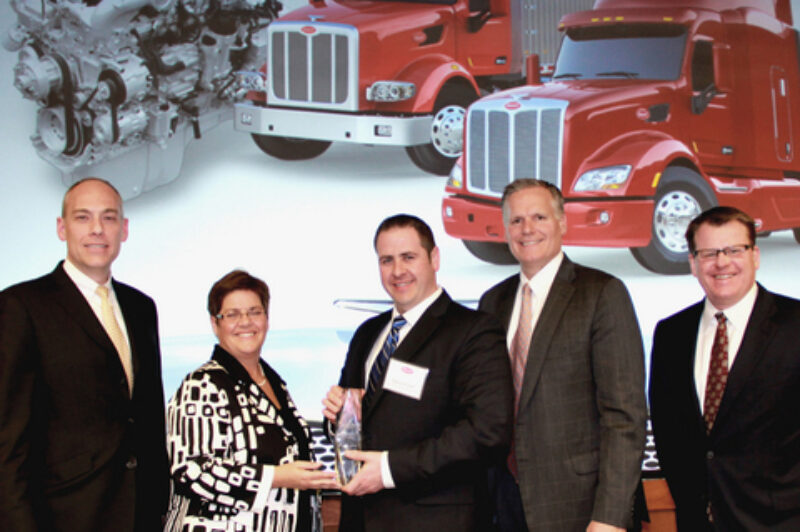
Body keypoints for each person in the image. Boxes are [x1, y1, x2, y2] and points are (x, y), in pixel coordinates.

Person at [322, 214, 513, 532]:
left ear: (434, 258)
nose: (397, 271)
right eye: (387, 260)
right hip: (361, 519)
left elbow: (487, 432)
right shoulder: (367, 333)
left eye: (408, 257)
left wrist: (387, 469)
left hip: (435, 521)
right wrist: (339, 417)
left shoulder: (474, 331)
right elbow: (359, 421)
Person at [0, 177, 169, 531]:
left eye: (108, 217)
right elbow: (8, 440)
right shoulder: (21, 307)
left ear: (124, 229)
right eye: (82, 217)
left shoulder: (141, 308)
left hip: (140, 515)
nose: (97, 229)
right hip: (63, 517)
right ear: (62, 228)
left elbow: (148, 416)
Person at [478, 179, 647, 531]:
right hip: (503, 501)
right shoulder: (492, 302)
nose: (527, 229)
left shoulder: (601, 293)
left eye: (539, 217)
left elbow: (624, 417)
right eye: (516, 220)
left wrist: (610, 516)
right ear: (505, 230)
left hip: (580, 505)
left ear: (563, 222)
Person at [649, 206, 800, 530]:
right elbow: (667, 431)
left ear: (755, 256)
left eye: (734, 250)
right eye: (709, 253)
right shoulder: (671, 334)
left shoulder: (795, 325)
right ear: (693, 263)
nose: (722, 262)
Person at [165, 270, 337, 532]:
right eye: (232, 314)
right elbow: (191, 470)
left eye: (254, 312)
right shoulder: (201, 384)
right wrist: (276, 477)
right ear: (215, 323)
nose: (245, 322)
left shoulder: (275, 385)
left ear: (266, 319)